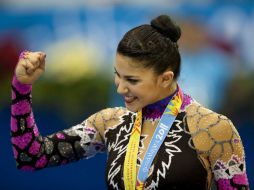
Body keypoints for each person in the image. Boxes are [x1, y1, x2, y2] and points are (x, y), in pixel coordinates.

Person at [11, 15, 249, 190]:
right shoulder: (110, 122)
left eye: (132, 80)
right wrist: (21, 88)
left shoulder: (213, 129)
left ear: (165, 78)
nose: (120, 87)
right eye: (118, 75)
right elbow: (31, 156)